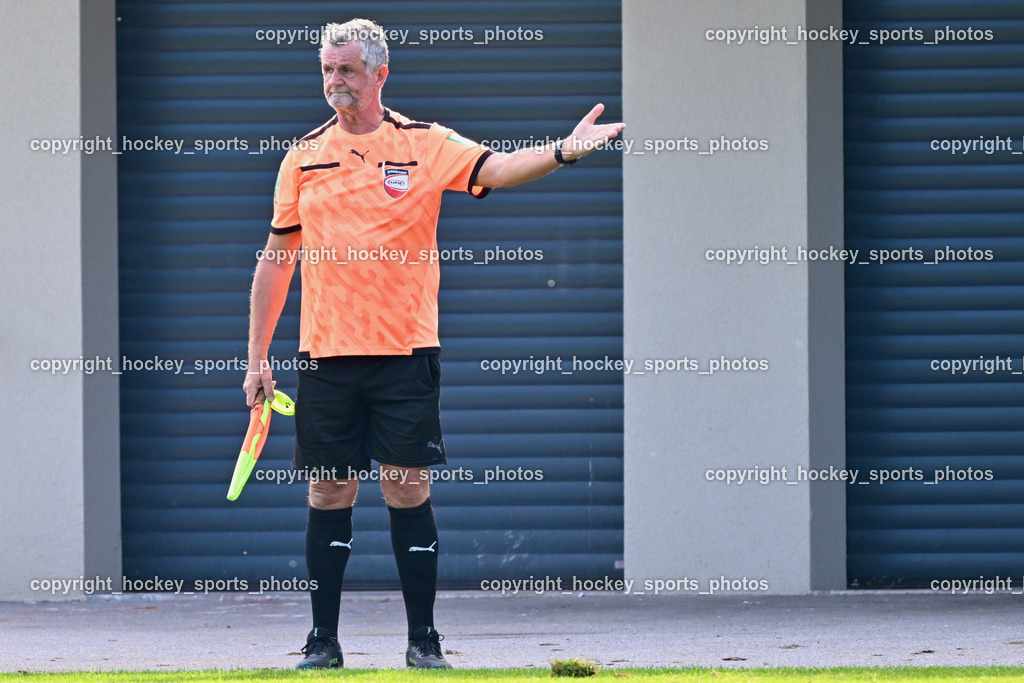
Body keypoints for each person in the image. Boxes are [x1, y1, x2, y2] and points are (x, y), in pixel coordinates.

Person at [243, 17, 625, 670]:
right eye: (328, 70)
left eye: (348, 70)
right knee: (328, 492)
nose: (335, 81)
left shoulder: (424, 144)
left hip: (404, 353)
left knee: (406, 487)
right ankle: (322, 642)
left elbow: (496, 169)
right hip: (326, 356)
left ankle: (424, 641)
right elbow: (276, 263)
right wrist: (257, 359)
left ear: (379, 74)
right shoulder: (303, 156)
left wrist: (563, 150)